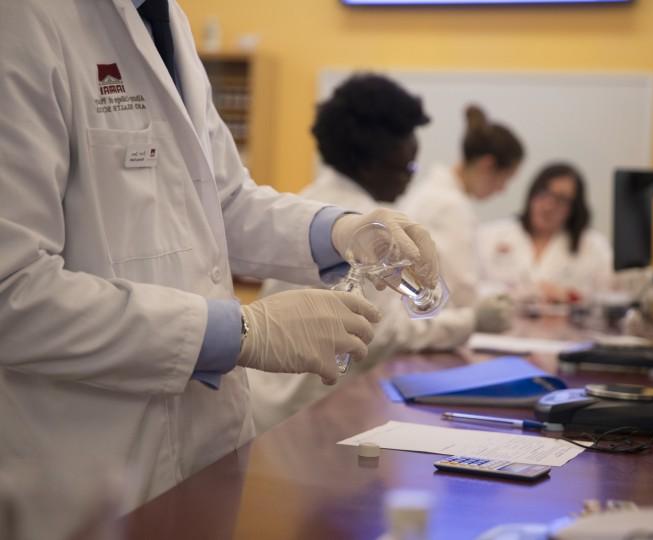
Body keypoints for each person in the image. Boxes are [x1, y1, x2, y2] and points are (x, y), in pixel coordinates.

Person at [0, 0, 440, 511]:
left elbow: (221, 199)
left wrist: (341, 231)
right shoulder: (25, 19)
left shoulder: (168, 21)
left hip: (205, 448)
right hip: (89, 466)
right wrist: (241, 333)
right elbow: (14, 291)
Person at [249, 75, 512, 433]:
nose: (409, 180)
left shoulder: (314, 197)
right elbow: (384, 333)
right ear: (372, 166)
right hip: (303, 412)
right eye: (407, 168)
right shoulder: (361, 225)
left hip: (273, 399)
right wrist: (471, 322)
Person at [401, 105, 525, 308]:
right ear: (487, 165)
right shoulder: (451, 206)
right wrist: (514, 296)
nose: (502, 190)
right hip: (432, 320)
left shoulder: (429, 192)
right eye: (505, 179)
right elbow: (461, 292)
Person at [476, 163, 613, 304]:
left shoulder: (593, 246)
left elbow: (609, 299)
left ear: (574, 208)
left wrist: (571, 297)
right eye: (543, 193)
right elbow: (466, 290)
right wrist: (511, 293)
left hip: (566, 325)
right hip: (499, 324)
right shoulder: (489, 235)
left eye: (561, 199)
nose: (548, 206)